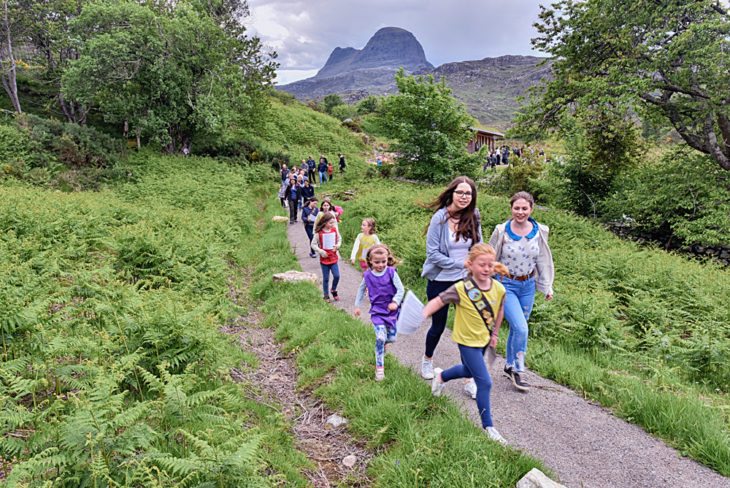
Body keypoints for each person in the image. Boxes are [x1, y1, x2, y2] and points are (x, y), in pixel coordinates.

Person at [424, 243, 508, 444]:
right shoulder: (462, 288)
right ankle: (488, 427)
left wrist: (495, 333)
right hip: (465, 341)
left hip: (483, 339)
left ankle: (442, 376)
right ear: (470, 265)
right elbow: (439, 300)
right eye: (482, 265)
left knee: (470, 372)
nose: (486, 269)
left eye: (490, 265)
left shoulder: (498, 288)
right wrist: (424, 312)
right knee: (485, 381)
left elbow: (500, 310)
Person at [420, 176, 483, 401]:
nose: (464, 197)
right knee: (438, 325)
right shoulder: (439, 218)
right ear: (452, 193)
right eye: (460, 192)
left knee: (467, 330)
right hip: (440, 280)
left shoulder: (474, 216)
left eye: (468, 194)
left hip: (466, 282)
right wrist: (460, 263)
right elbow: (433, 254)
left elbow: (478, 245)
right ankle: (427, 359)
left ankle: (468, 379)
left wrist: (478, 267)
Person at [489, 191, 554, 392]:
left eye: (524, 208)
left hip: (528, 285)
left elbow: (542, 260)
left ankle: (509, 365)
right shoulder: (502, 231)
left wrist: (547, 285)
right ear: (511, 208)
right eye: (516, 208)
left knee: (519, 328)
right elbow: (490, 257)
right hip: (505, 285)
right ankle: (519, 369)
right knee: (522, 328)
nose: (520, 212)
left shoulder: (540, 231)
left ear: (531, 209)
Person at [354, 244, 405, 381]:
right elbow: (360, 290)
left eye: (383, 261)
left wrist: (395, 302)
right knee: (380, 338)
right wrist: (357, 306)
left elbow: (400, 289)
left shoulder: (391, 272)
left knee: (391, 338)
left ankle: (383, 345)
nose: (381, 265)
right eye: (377, 262)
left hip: (392, 312)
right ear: (370, 261)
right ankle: (379, 368)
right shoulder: (368, 275)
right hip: (377, 312)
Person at [311, 212, 341, 302]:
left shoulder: (334, 230)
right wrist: (320, 251)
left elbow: (339, 239)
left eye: (333, 223)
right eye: (330, 223)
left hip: (333, 258)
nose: (332, 225)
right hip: (324, 259)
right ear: (324, 222)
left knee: (337, 276)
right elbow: (313, 244)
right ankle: (326, 295)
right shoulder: (318, 233)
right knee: (326, 278)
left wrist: (337, 245)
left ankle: (333, 289)